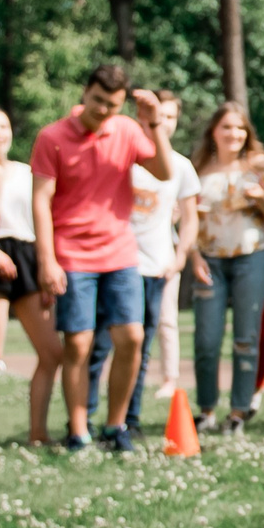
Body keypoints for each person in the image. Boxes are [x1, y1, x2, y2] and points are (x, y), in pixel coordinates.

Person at [33, 64, 174, 453]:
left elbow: (163, 172)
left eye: (112, 105)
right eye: (97, 101)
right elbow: (41, 200)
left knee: (131, 337)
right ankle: (78, 430)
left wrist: (155, 123)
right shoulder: (52, 137)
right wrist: (47, 259)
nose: (103, 111)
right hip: (73, 255)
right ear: (85, 92)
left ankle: (115, 426)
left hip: (120, 252)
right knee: (77, 345)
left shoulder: (128, 130)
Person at [89, 92, 198, 438]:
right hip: (115, 265)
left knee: (140, 348)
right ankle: (85, 420)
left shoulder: (179, 165)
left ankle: (127, 421)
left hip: (155, 268)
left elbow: (191, 218)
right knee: (99, 346)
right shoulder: (121, 157)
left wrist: (178, 258)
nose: (162, 124)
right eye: (155, 117)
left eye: (169, 118)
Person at [188, 101, 264, 433]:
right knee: (207, 339)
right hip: (208, 259)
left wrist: (261, 198)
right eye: (227, 126)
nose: (234, 133)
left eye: (240, 128)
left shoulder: (259, 167)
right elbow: (185, 220)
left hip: (251, 257)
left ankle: (238, 413)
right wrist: (193, 257)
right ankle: (207, 410)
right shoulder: (197, 168)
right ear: (214, 131)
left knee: (246, 338)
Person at [0, 107, 61, 445]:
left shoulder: (29, 172)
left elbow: (45, 219)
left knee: (52, 351)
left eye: (4, 125)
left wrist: (47, 263)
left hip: (28, 257)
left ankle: (38, 434)